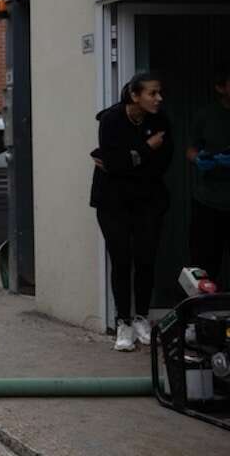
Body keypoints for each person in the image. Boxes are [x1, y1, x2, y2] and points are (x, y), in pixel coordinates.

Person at [89, 72, 172, 352]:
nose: (158, 98)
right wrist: (145, 149)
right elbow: (111, 161)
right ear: (135, 96)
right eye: (152, 93)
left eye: (159, 93)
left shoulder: (160, 120)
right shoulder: (111, 119)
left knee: (146, 258)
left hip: (148, 201)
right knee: (122, 260)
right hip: (112, 202)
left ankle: (141, 318)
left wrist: (126, 161)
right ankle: (123, 322)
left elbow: (161, 163)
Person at [187, 66, 230, 289]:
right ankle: (202, 315)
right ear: (221, 87)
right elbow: (191, 149)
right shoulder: (206, 115)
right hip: (208, 201)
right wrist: (198, 159)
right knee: (205, 263)